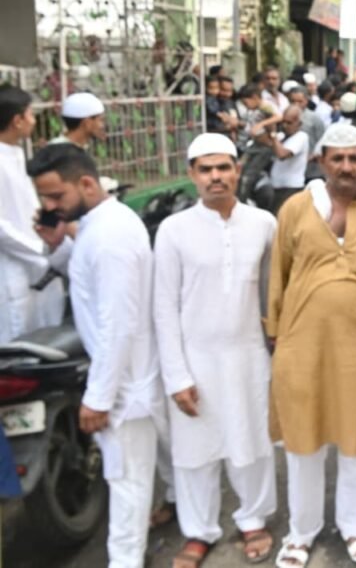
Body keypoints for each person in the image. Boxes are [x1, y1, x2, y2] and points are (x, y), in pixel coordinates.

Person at [267, 122, 356, 567]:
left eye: (354, 158)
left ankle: (353, 524)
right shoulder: (295, 209)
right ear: (322, 161)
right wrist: (275, 335)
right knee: (303, 442)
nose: (347, 167)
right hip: (302, 346)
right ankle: (301, 532)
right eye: (338, 159)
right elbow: (278, 275)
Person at [29, 144, 164, 568]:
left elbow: (118, 324)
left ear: (86, 183)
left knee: (127, 480)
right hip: (123, 375)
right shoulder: (94, 226)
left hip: (126, 381)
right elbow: (85, 276)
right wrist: (58, 243)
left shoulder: (109, 238)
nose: (50, 206)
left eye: (56, 196)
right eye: (44, 198)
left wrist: (99, 397)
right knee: (131, 475)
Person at [153, 134, 277, 566]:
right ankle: (198, 531)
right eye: (205, 169)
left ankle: (253, 519)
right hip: (195, 357)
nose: (215, 177)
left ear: (237, 170)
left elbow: (272, 293)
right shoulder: (173, 230)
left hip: (249, 353)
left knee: (252, 440)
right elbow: (163, 307)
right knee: (195, 451)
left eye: (223, 167)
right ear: (192, 175)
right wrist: (176, 375)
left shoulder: (263, 223)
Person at [0, 85, 66, 345]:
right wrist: (39, 250)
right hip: (13, 269)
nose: (33, 120)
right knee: (20, 346)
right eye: (30, 114)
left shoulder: (16, 154)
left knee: (48, 337)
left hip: (40, 265)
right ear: (17, 120)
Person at [264, 105, 310, 214]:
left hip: (291, 188)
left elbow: (282, 155)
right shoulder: (281, 136)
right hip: (277, 187)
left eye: (289, 123)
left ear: (299, 124)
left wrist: (273, 134)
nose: (284, 126)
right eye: (283, 122)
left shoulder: (301, 137)